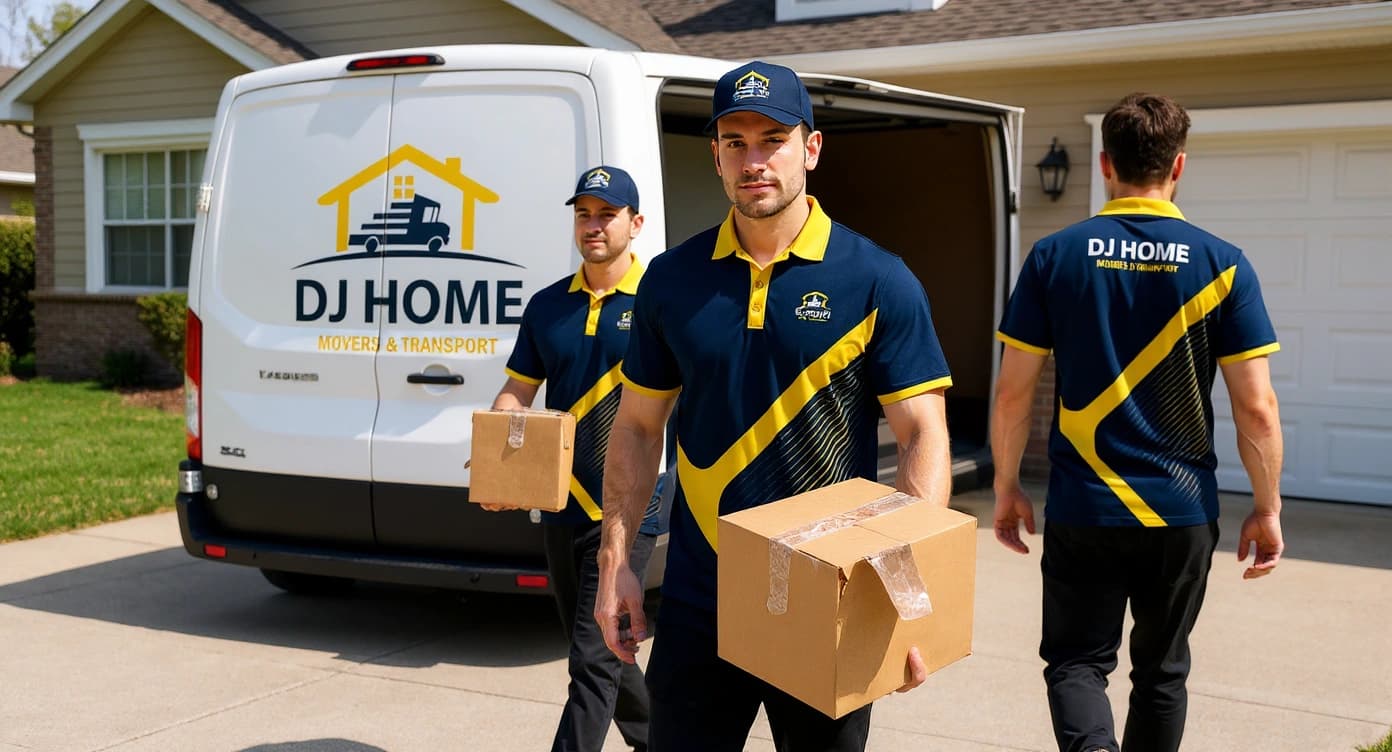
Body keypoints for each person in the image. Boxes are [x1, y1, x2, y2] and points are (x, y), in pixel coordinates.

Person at [593, 61, 950, 752]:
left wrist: (908, 601)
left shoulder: (878, 279)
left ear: (811, 149)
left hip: (829, 602)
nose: (753, 160)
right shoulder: (672, 280)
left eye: (773, 139)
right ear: (717, 155)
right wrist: (617, 564)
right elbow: (637, 428)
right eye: (735, 142)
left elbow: (921, 435)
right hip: (701, 599)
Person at [990, 92, 1285, 752]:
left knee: (1075, 664)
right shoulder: (1223, 264)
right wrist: (1267, 507)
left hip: (1084, 507)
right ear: (1178, 167)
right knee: (1162, 675)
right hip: (1179, 512)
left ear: (1103, 165)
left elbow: (1013, 395)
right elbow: (1257, 409)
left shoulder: (1054, 256)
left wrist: (1007, 486)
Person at [485, 164, 664, 752]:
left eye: (607, 214)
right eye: (584, 214)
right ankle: (665, 741)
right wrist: (497, 461)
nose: (593, 225)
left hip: (633, 505)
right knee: (602, 651)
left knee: (590, 661)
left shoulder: (660, 302)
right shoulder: (546, 307)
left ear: (635, 224)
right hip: (564, 504)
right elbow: (518, 392)